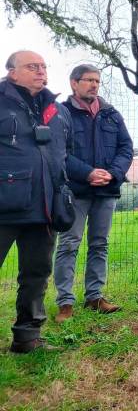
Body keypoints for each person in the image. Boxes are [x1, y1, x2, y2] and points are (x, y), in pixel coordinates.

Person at [0, 50, 71, 353]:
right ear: (12, 72)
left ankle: (28, 338)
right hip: (4, 206)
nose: (40, 72)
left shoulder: (55, 109)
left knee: (37, 274)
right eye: (32, 67)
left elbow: (63, 154)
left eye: (43, 67)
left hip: (44, 207)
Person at [53, 64, 134, 322]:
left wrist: (113, 173)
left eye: (97, 80)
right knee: (69, 244)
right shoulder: (61, 113)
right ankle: (65, 303)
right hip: (75, 192)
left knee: (100, 244)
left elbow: (126, 147)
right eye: (88, 80)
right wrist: (87, 173)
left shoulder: (111, 114)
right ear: (74, 83)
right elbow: (58, 153)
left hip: (106, 192)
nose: (94, 84)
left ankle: (95, 297)